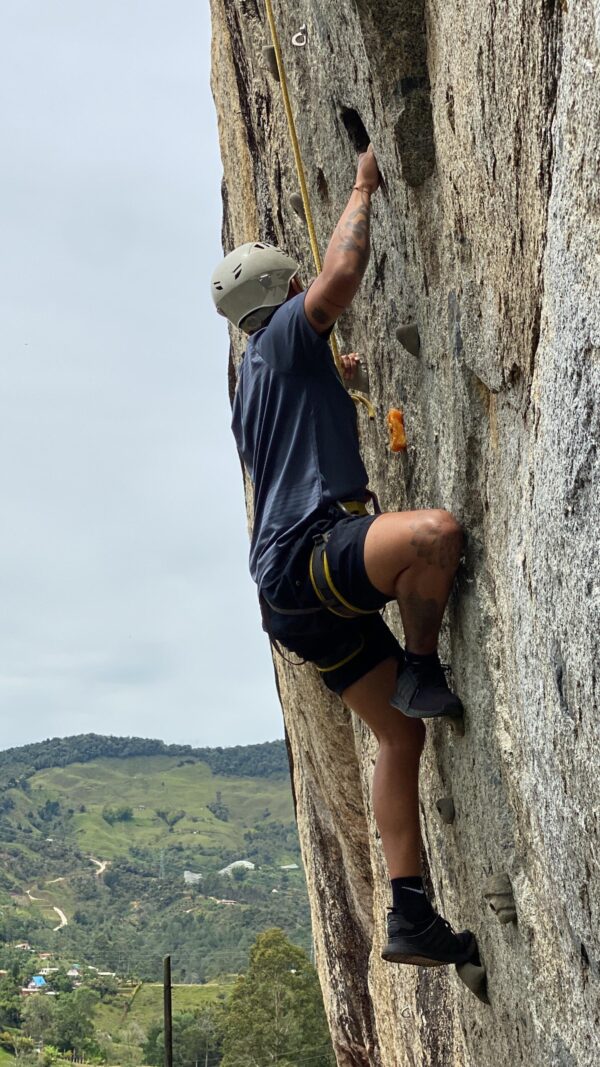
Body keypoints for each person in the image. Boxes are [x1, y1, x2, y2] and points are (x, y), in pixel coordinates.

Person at [211, 145, 475, 968]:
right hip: (312, 558)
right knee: (433, 534)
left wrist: (334, 372)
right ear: (281, 295)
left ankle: (412, 915)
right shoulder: (289, 334)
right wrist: (361, 185)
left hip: (289, 596)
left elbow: (303, 417)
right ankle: (421, 664)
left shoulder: (256, 370)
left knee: (399, 738)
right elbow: (339, 281)